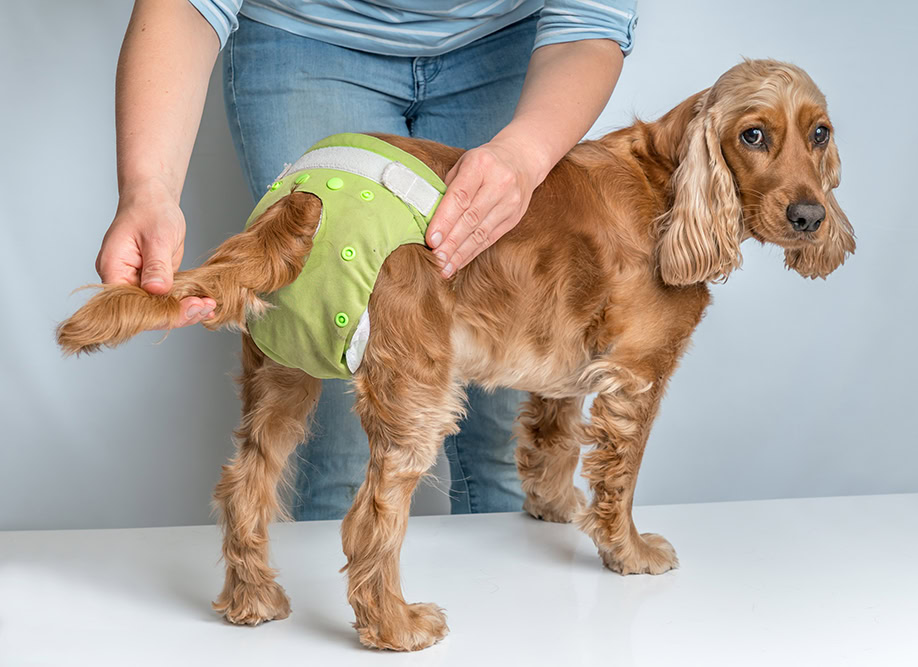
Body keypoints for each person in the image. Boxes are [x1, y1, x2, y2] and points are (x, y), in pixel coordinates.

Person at [97, 0, 637, 519]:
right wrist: (148, 188)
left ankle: (507, 583)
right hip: (308, 39)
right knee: (334, 416)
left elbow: (592, 14)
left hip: (506, 46)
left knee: (502, 426)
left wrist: (524, 154)